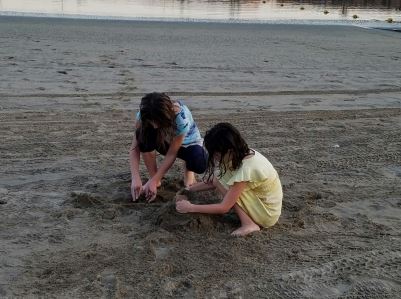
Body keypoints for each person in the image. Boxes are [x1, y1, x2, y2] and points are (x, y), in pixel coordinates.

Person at [175, 122, 282, 236]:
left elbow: (223, 208)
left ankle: (249, 224)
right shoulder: (241, 153)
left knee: (228, 189)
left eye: (217, 155)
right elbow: (215, 181)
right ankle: (246, 216)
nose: (215, 158)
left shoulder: (246, 169)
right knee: (219, 179)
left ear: (229, 150)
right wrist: (189, 189)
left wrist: (191, 208)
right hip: (260, 201)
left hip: (267, 213)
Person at [129, 92, 207, 202]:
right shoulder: (143, 115)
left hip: (188, 144)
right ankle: (153, 176)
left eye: (158, 121)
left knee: (199, 163)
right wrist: (136, 178)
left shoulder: (181, 118)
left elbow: (172, 153)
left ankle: (188, 171)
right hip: (165, 142)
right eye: (152, 121)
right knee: (143, 137)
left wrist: (155, 181)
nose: (155, 126)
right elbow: (135, 148)